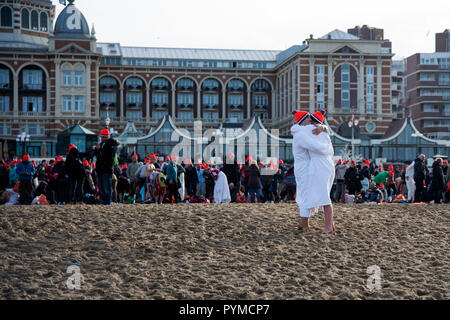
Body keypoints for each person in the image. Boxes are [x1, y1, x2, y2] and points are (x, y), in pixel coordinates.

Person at [295, 110, 336, 234]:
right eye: (308, 119)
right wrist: (323, 127)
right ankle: (305, 224)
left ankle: (328, 226)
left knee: (322, 195)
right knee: (309, 194)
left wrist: (322, 128)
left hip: (320, 165)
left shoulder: (314, 133)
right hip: (316, 165)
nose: (311, 122)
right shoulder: (305, 133)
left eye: (312, 120)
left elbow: (320, 148)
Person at [93, 127, 121, 205]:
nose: (101, 138)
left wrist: (100, 149)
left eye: (102, 136)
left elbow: (109, 156)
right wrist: (96, 149)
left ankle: (108, 201)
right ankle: (104, 200)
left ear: (106, 137)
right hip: (100, 169)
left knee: (107, 186)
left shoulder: (111, 144)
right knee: (101, 187)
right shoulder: (102, 144)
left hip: (107, 169)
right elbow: (96, 154)